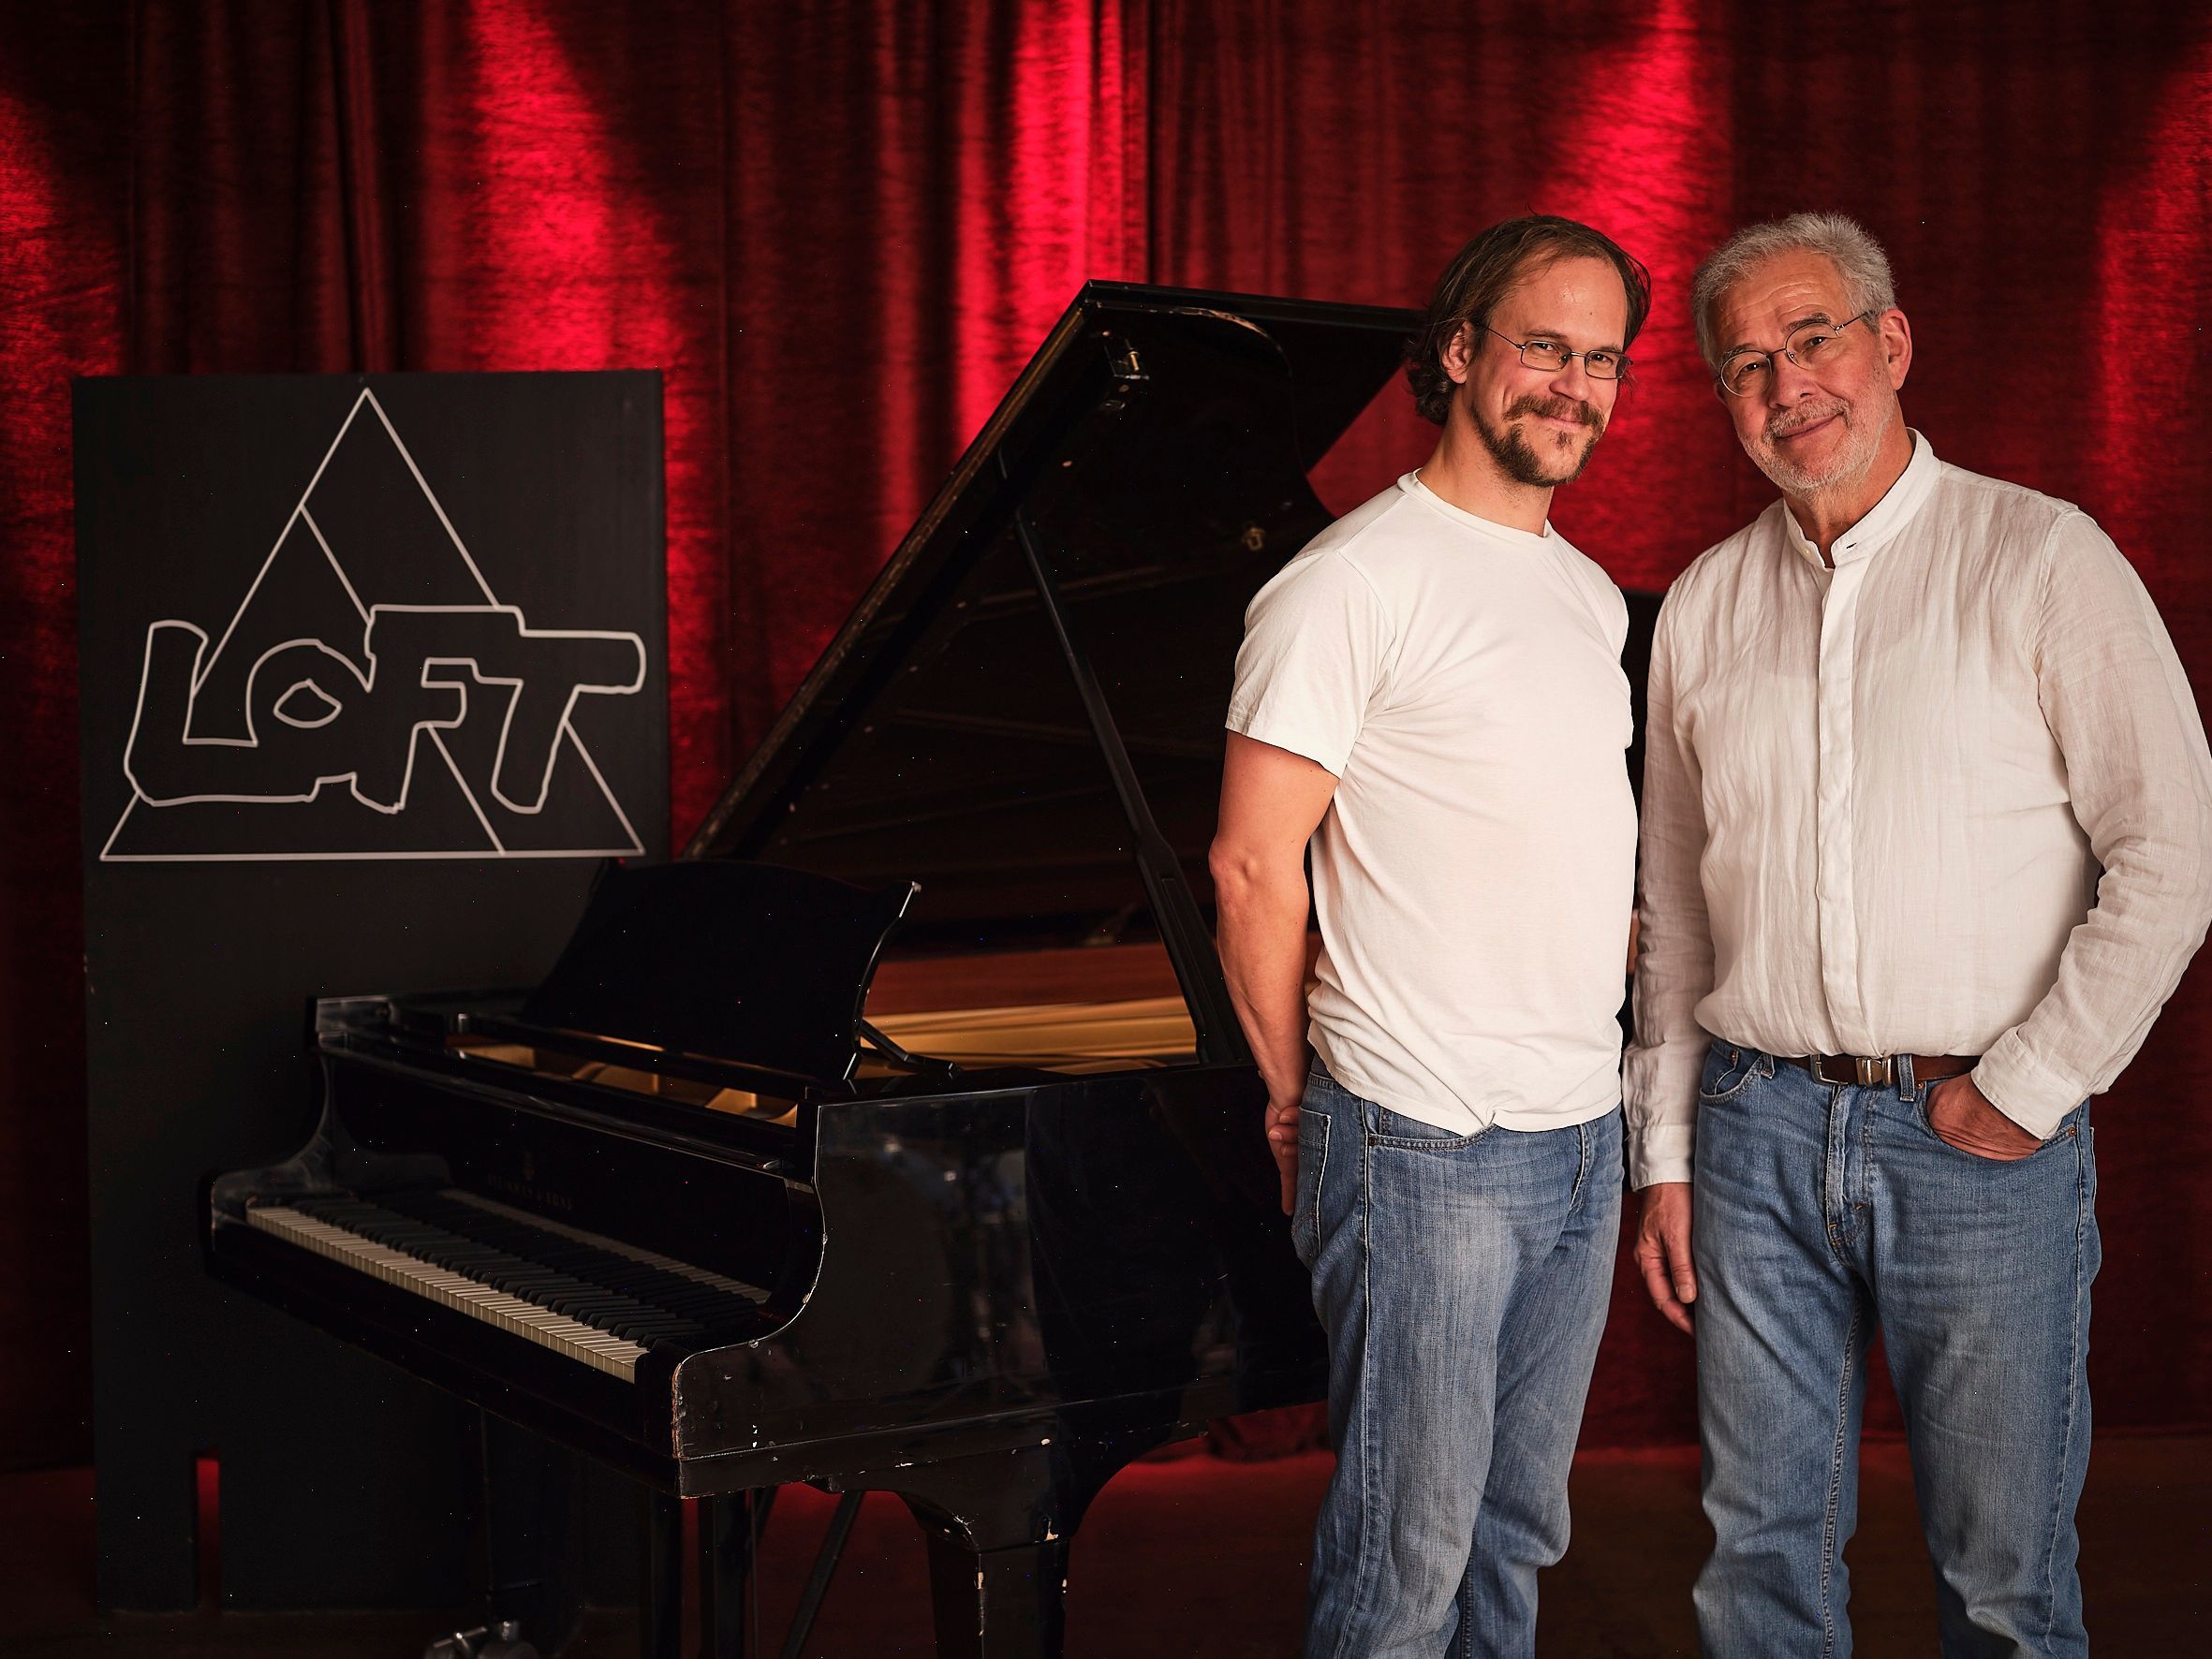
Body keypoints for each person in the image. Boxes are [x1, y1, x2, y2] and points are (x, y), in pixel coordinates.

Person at [1628, 211, 2212, 1657]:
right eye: (1744, 363)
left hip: (1975, 1143)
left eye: (1810, 338)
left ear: (1889, 345)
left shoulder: (2039, 557)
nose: (1783, 386)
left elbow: (2172, 853)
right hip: (1754, 1132)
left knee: (2001, 1581)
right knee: (1754, 1564)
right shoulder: (1702, 602)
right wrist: (1670, 1152)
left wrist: (2019, 1092)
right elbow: (1674, 914)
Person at [1209, 214, 1648, 1658]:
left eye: (1600, 361)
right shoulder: (1349, 582)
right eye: (1541, 348)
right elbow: (1251, 864)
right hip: (1419, 1142)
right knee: (1406, 1561)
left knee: (1515, 1541)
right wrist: (1290, 1093)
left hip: (1582, 1135)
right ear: (1459, 353)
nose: (1570, 387)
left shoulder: (1587, 596)